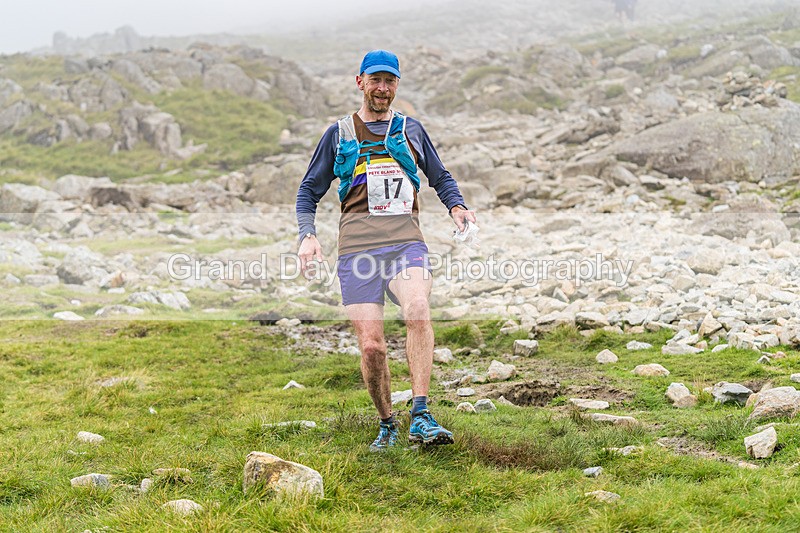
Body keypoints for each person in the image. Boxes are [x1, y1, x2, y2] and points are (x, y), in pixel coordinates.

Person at [295, 50, 476, 451]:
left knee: (417, 310)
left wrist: (457, 205)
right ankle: (387, 422)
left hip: (405, 243)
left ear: (397, 84)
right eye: (375, 80)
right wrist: (307, 234)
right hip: (357, 252)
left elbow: (439, 175)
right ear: (359, 81)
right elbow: (308, 191)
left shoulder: (411, 130)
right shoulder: (339, 133)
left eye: (390, 81)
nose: (382, 88)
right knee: (373, 346)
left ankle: (422, 414)